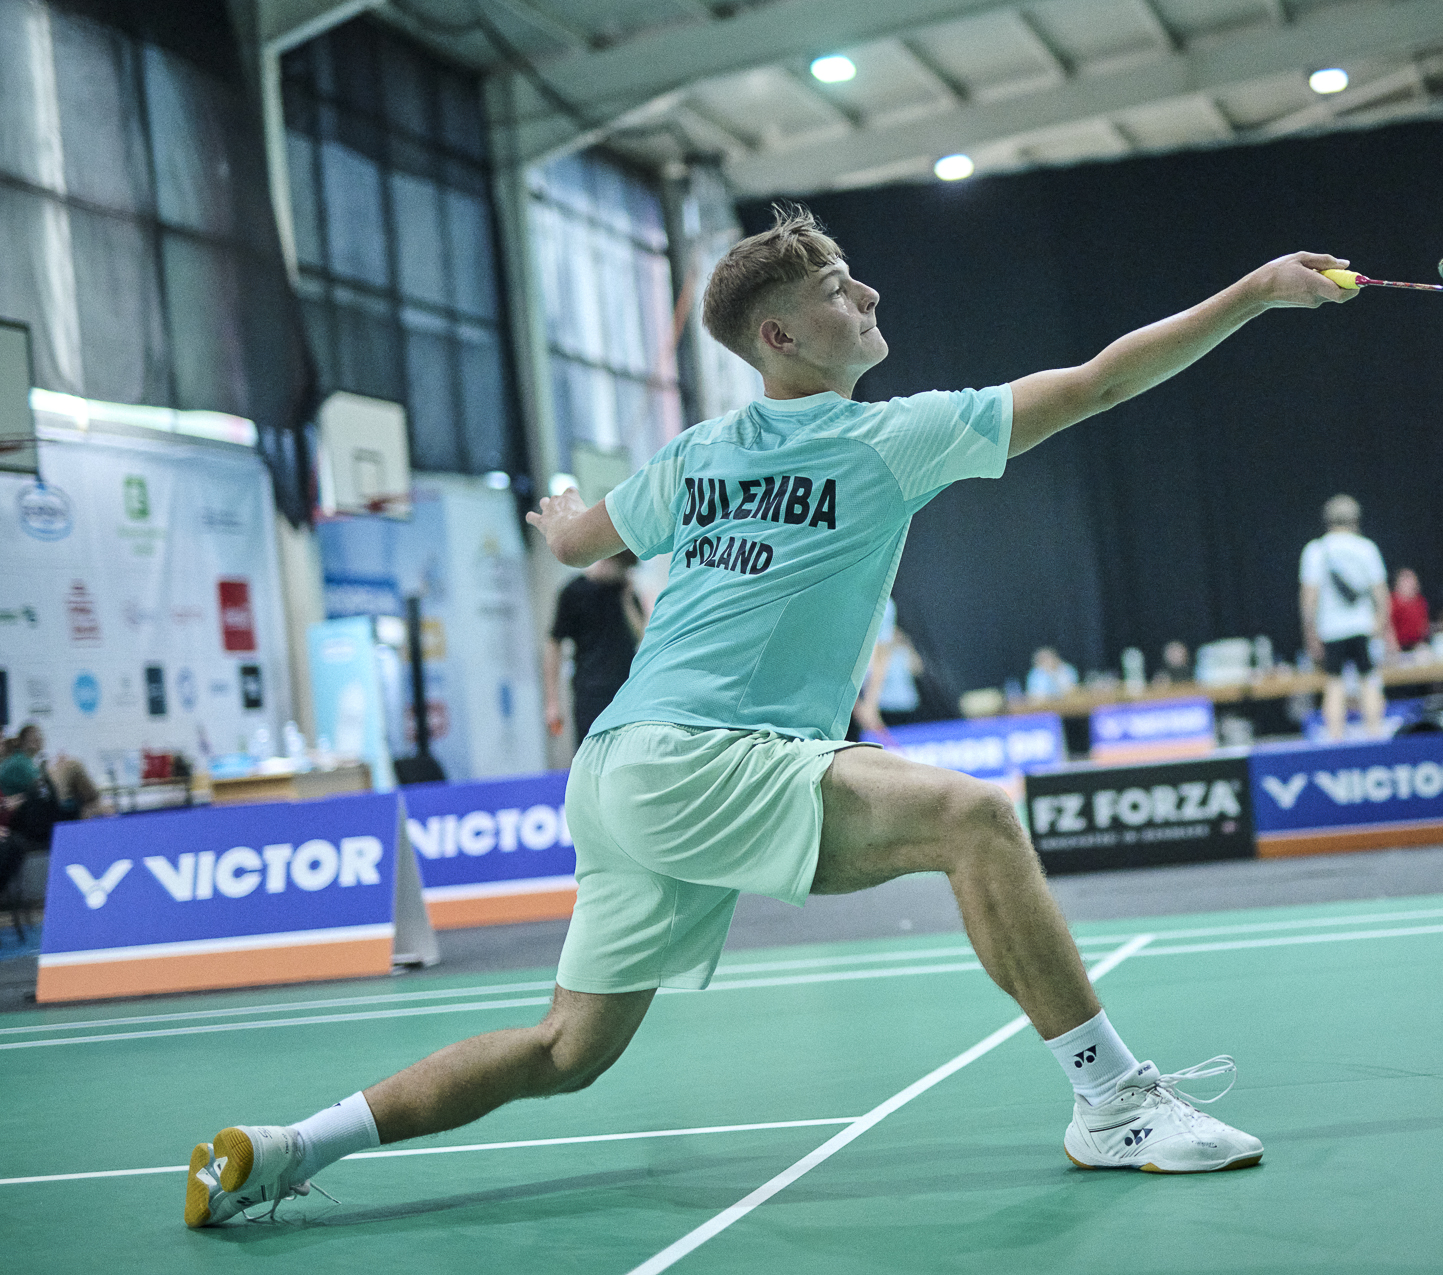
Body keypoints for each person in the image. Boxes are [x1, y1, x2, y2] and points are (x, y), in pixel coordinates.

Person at [182, 205, 1356, 1227]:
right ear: (780, 337)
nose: (868, 293)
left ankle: (286, 1149)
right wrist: (1254, 293)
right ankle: (1113, 1102)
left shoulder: (697, 455)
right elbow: (1098, 382)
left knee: (565, 1050)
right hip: (702, 757)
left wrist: (560, 513)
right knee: (975, 820)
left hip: (617, 770)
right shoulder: (888, 437)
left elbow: (583, 540)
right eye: (839, 289)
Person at [1299, 494, 1390, 740]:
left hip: (1331, 629)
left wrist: (1309, 632)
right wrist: (1381, 624)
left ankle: (1335, 739)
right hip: (1362, 626)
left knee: (1334, 684)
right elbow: (1380, 592)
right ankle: (1375, 734)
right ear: (1355, 520)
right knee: (1368, 681)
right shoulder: (1366, 548)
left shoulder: (1316, 550)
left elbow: (1309, 596)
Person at [544, 551, 647, 746]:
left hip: (626, 689)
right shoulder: (574, 591)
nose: (624, 573)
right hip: (590, 691)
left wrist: (626, 600)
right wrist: (552, 703)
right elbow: (554, 644)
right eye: (622, 568)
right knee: (592, 752)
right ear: (608, 559)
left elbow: (642, 634)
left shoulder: (624, 590)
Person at [853, 598, 925, 736]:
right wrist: (860, 708)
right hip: (848, 706)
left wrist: (869, 706)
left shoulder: (885, 606)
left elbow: (882, 657)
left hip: (901, 709)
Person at [1388, 568, 1430, 655]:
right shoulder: (1391, 602)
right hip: (1397, 646)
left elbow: (1423, 625)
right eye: (1405, 580)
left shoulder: (1420, 601)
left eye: (1411, 579)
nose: (1409, 583)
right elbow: (1388, 625)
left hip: (1416, 645)